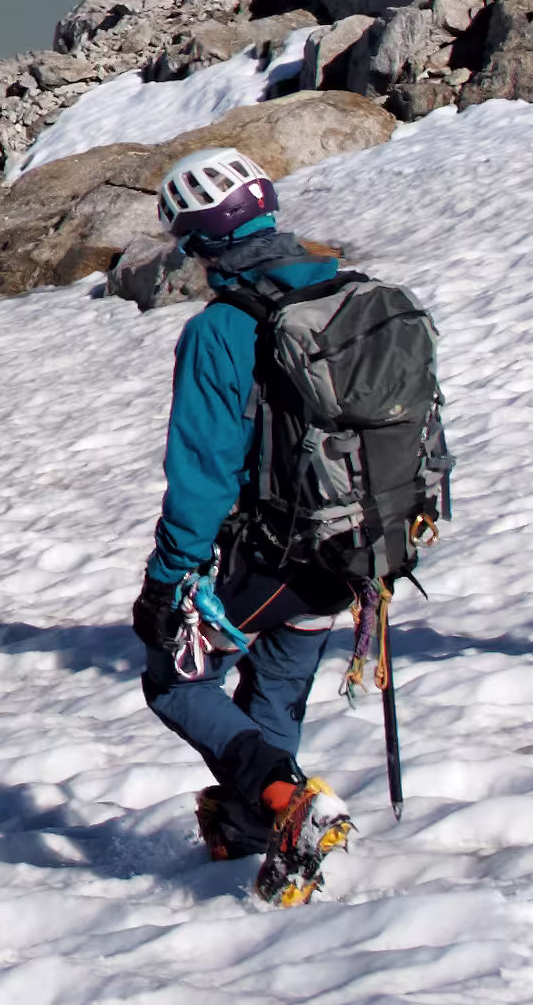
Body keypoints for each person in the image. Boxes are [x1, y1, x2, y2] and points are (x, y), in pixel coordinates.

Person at [127, 145, 359, 905]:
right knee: (274, 691)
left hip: (276, 550)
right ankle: (263, 830)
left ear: (199, 239)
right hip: (357, 545)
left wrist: (170, 582)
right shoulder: (350, 292)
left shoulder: (222, 329)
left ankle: (286, 801)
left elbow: (201, 473)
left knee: (175, 681)